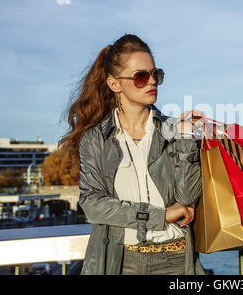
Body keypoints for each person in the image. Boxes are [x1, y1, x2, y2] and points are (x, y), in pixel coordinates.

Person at [60, 33, 205, 275]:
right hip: (121, 261)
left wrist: (186, 140)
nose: (152, 82)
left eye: (155, 74)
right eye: (141, 76)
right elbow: (93, 205)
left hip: (177, 259)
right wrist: (160, 215)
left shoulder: (173, 130)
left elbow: (187, 197)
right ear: (114, 84)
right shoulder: (96, 139)